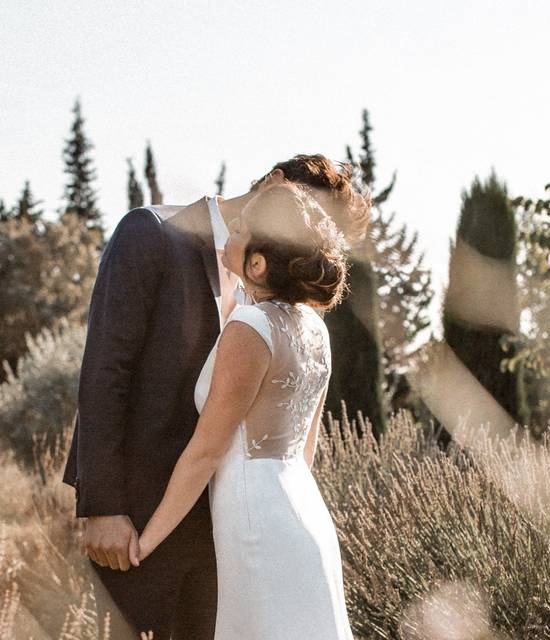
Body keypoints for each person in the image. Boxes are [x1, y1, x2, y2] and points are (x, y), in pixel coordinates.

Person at [61, 155, 370, 639]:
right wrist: (102, 504)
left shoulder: (282, 302)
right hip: (142, 518)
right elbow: (105, 371)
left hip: (231, 534)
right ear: (274, 184)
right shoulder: (152, 234)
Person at [132, 183, 357, 638]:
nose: (227, 235)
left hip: (255, 521)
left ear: (256, 262)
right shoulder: (315, 329)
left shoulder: (249, 328)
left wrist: (148, 539)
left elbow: (206, 451)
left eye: (238, 230)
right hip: (304, 512)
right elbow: (306, 448)